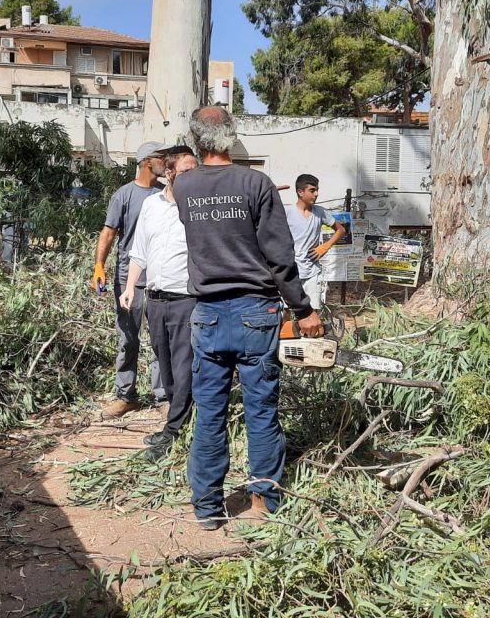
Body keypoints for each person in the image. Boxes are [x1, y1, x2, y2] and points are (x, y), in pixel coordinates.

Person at [174, 106, 324, 530]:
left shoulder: (184, 187)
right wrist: (304, 309)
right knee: (260, 412)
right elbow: (280, 258)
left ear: (197, 140)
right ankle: (263, 502)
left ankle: (207, 508)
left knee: (210, 413)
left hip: (206, 316)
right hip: (256, 314)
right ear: (231, 136)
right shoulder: (255, 183)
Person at [120, 149, 199, 461]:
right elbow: (138, 251)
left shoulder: (197, 207)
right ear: (170, 173)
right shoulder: (151, 205)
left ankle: (174, 433)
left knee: (184, 368)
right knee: (164, 365)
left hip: (187, 300)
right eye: (187, 170)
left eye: (197, 169)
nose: (194, 175)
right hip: (155, 300)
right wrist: (130, 288)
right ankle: (175, 423)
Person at [92, 141, 170, 419]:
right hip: (129, 279)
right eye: (162, 158)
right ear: (148, 161)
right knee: (128, 338)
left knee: (161, 339)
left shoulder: (166, 195)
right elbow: (109, 233)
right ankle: (126, 396)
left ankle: (163, 396)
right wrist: (99, 266)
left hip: (160, 279)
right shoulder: (124, 195)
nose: (166, 162)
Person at [285, 174, 349, 310]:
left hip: (312, 271)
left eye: (317, 190)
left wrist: (326, 246)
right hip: (291, 271)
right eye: (312, 190)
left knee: (313, 312)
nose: (316, 194)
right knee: (286, 312)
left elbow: (341, 230)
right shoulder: (287, 212)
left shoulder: (320, 212)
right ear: (300, 192)